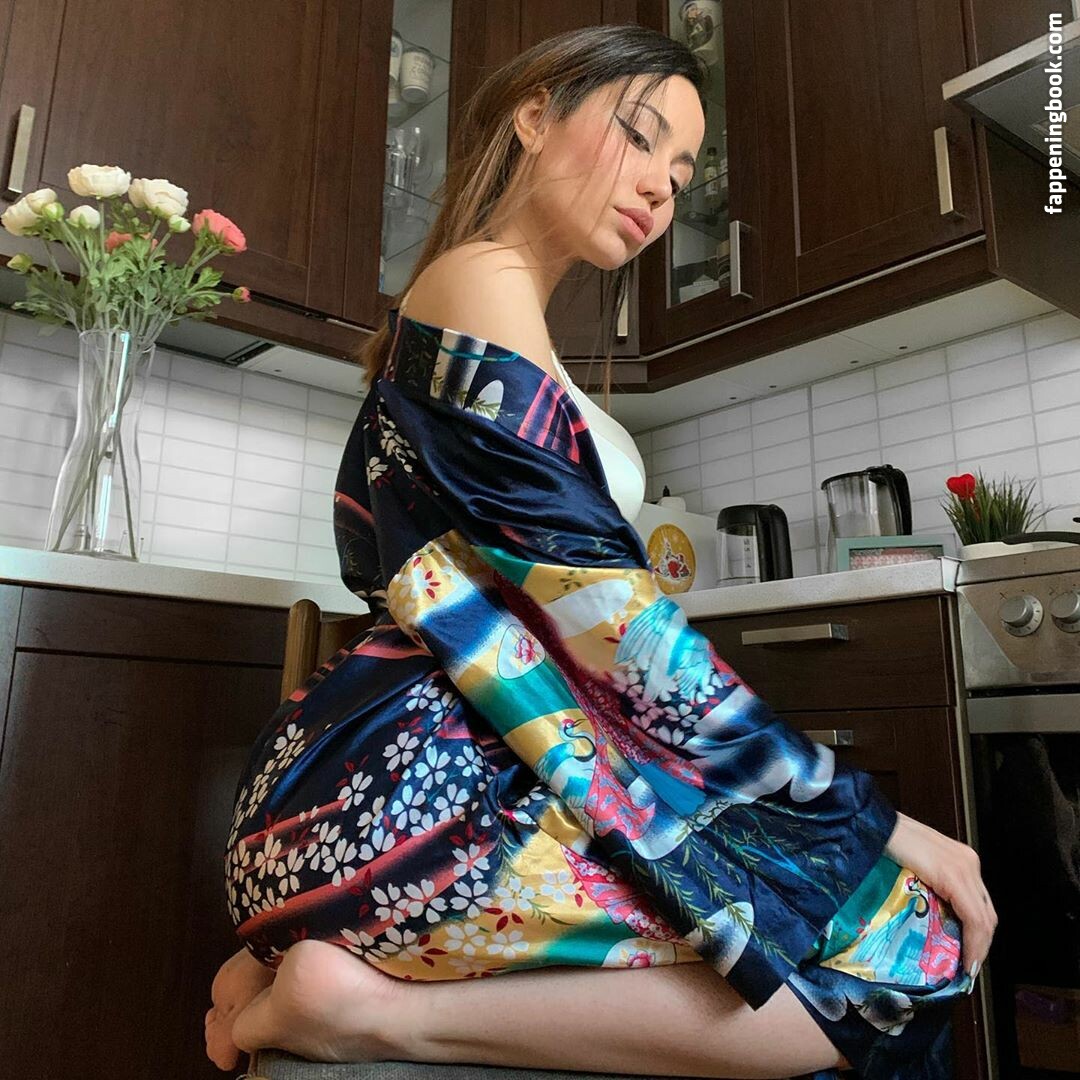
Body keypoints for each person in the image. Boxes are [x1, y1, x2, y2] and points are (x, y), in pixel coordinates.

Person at [205, 24, 997, 1079]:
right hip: (422, 793)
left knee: (834, 914)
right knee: (901, 959)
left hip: (416, 777)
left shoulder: (490, 305)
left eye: (685, 173)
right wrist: (868, 818)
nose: (664, 188)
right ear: (534, 115)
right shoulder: (479, 280)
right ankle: (365, 1011)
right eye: (640, 135)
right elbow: (606, 618)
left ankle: (290, 969)